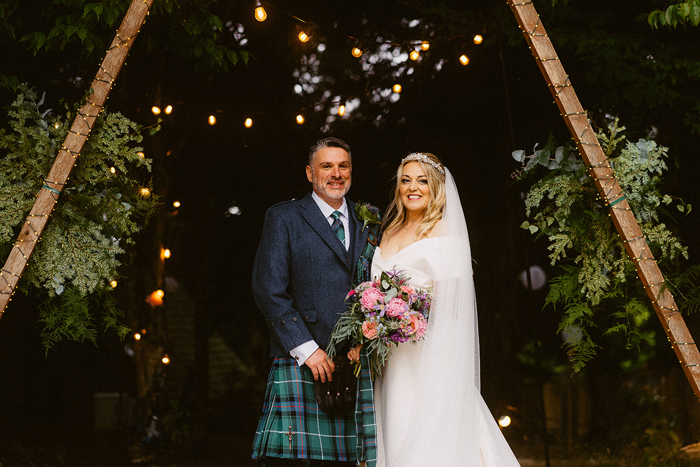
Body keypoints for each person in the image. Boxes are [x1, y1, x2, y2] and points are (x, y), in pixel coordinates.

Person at [349, 153, 520, 466]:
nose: (413, 187)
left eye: (422, 180)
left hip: (427, 357)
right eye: (406, 180)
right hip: (388, 359)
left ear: (436, 187)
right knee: (394, 428)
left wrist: (407, 318)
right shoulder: (388, 231)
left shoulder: (445, 233)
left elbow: (455, 308)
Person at [251, 137, 377, 467]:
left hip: (357, 360)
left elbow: (380, 286)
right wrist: (307, 349)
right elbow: (268, 290)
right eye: (326, 166)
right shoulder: (285, 217)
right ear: (310, 173)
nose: (336, 173)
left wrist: (367, 341)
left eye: (343, 166)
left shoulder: (371, 220)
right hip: (303, 357)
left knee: (357, 461)